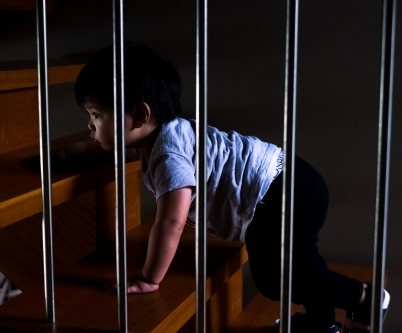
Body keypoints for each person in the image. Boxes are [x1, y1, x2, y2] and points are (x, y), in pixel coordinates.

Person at [53, 42, 390, 333]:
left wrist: (148, 277)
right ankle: (323, 324)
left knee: (275, 281)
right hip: (294, 182)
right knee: (303, 266)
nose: (90, 124)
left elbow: (171, 220)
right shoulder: (161, 132)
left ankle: (366, 298)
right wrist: (68, 152)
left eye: (96, 114)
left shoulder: (169, 155)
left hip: (276, 196)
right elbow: (106, 145)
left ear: (140, 115)